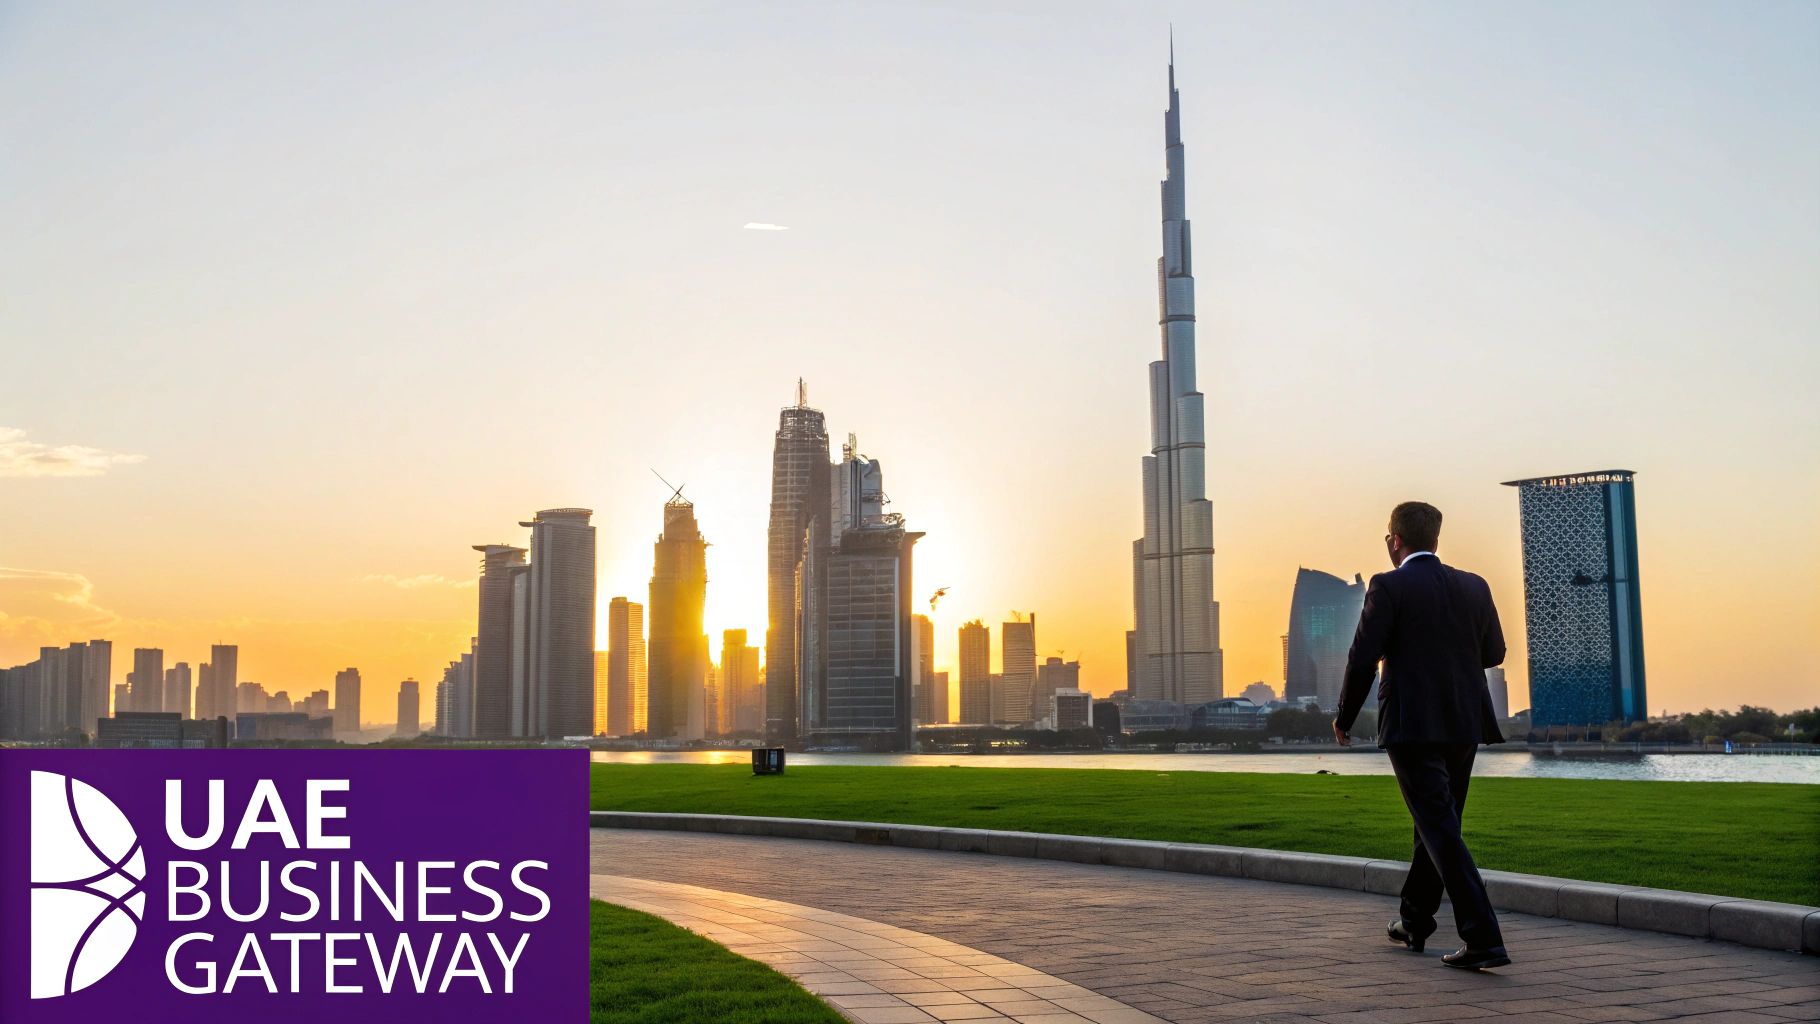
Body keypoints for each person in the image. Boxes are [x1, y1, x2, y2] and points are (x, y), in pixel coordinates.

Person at [1332, 501, 1511, 970]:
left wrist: (1344, 717)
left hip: (1412, 725)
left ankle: (1483, 938)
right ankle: (1414, 920)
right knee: (1436, 825)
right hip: (1465, 722)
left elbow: (1362, 657)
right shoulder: (1475, 585)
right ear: (1436, 538)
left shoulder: (1387, 586)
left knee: (1439, 828)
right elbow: (1494, 653)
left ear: (1395, 540)